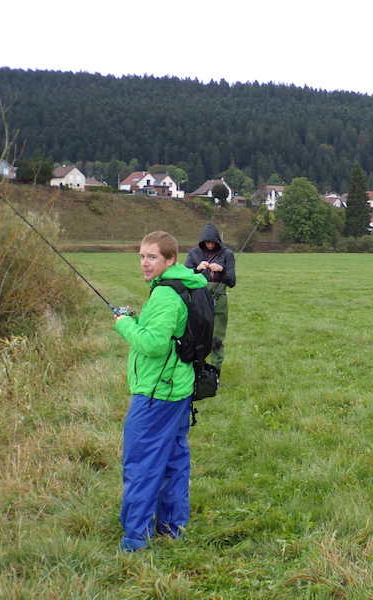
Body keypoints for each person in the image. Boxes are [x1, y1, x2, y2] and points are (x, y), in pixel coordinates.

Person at [114, 231, 208, 551]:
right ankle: (172, 528)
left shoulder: (166, 295)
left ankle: (135, 538)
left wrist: (124, 325)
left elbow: (154, 345)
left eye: (152, 257)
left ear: (170, 260)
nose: (145, 263)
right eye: (142, 256)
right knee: (173, 460)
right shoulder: (179, 285)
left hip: (157, 393)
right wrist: (136, 318)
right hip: (177, 389)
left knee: (142, 463)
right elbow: (168, 334)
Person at [184, 223, 236, 371]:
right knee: (196, 336)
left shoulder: (227, 254)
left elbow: (232, 281)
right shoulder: (194, 253)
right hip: (198, 299)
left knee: (216, 338)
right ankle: (196, 370)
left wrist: (222, 270)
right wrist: (196, 270)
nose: (210, 245)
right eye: (207, 242)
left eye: (213, 242)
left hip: (219, 299)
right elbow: (184, 278)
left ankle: (215, 371)